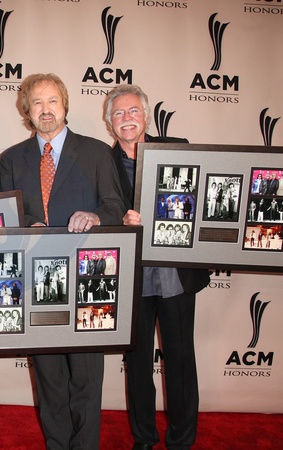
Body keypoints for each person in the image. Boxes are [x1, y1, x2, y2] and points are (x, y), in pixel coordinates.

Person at [0, 73, 126, 449]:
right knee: (50, 379)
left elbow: (115, 206)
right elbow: (4, 216)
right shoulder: (10, 159)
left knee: (87, 378)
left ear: (65, 105)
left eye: (52, 100)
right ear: (26, 111)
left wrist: (96, 216)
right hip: (38, 284)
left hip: (88, 280)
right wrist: (27, 225)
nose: (46, 109)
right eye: (37, 103)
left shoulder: (97, 152)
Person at [104, 84, 210, 450]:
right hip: (132, 278)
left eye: (133, 110)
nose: (127, 118)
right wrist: (121, 222)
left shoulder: (178, 148)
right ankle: (144, 439)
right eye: (119, 113)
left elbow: (201, 199)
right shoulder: (101, 161)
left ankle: (182, 441)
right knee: (137, 365)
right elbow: (100, 213)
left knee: (181, 360)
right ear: (109, 122)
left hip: (174, 275)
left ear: (146, 116)